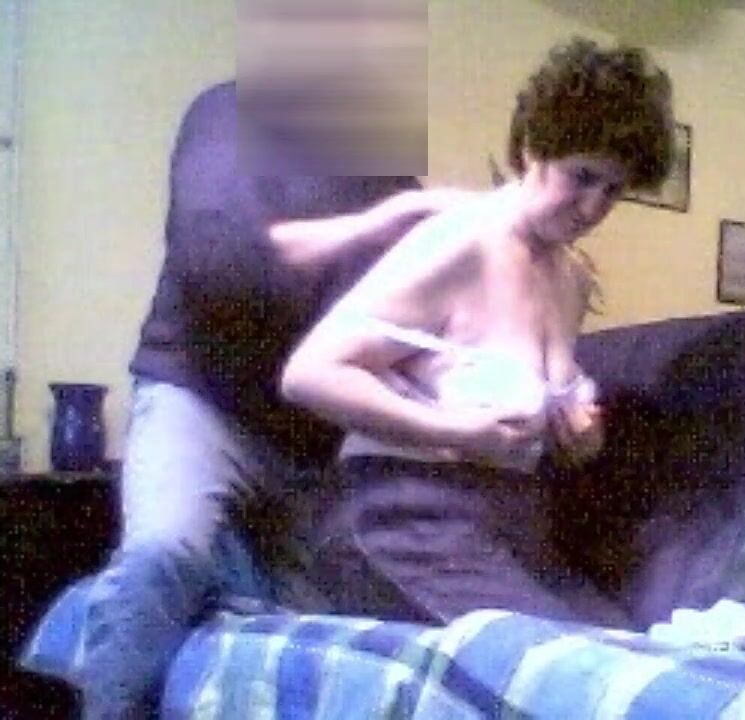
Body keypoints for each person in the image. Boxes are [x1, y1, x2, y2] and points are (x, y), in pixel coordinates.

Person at [75, 80, 460, 719]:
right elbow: (218, 251)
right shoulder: (227, 112)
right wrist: (385, 225)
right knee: (164, 553)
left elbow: (404, 324)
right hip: (199, 400)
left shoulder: (390, 174)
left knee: (327, 621)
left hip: (311, 443)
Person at [280, 37, 676, 626]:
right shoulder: (459, 240)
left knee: (630, 648)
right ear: (535, 147)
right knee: (566, 665)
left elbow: (532, 425)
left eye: (613, 190)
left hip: (515, 528)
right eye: (582, 176)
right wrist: (453, 431)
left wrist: (578, 438)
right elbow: (310, 373)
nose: (594, 208)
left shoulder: (572, 279)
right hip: (405, 518)